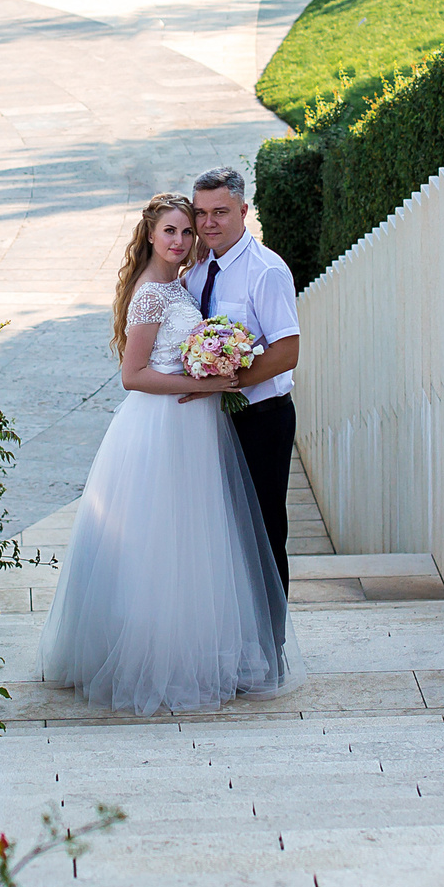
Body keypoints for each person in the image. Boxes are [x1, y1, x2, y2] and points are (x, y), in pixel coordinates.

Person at [37, 194, 296, 714]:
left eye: (187, 231)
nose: (181, 240)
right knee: (160, 541)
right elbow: (133, 376)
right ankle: (155, 659)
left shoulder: (186, 281)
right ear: (150, 234)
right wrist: (205, 382)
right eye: (171, 231)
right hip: (161, 425)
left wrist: (213, 375)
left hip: (196, 425)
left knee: (197, 540)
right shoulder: (152, 294)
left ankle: (202, 649)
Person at [186, 166, 303, 603]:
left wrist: (225, 385)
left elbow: (287, 351)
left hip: (262, 421)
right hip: (210, 421)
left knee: (263, 530)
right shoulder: (198, 269)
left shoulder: (265, 270)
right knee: (219, 530)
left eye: (220, 212)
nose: (208, 223)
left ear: (243, 210)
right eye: (201, 213)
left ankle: (272, 641)